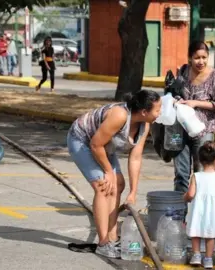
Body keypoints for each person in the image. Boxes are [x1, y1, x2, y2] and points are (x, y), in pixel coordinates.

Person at [66, 90, 161, 258]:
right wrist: (108, 172)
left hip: (104, 145)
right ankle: (103, 243)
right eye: (157, 110)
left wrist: (133, 191)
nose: (160, 113)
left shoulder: (144, 125)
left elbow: (136, 158)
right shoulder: (120, 115)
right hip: (82, 140)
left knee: (119, 184)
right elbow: (95, 144)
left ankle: (112, 237)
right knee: (103, 186)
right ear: (145, 112)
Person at [174, 40, 215, 193]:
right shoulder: (183, 71)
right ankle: (181, 210)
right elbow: (175, 93)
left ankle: (200, 209)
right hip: (181, 129)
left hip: (204, 130)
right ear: (190, 57)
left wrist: (195, 103)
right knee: (181, 174)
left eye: (204, 57)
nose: (201, 61)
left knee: (202, 172)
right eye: (197, 58)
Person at [184, 141, 215, 269]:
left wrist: (185, 198)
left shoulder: (196, 176)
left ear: (200, 159)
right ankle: (208, 259)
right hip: (213, 211)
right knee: (210, 236)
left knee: (196, 233)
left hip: (198, 210)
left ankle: (197, 255)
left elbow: (191, 194)